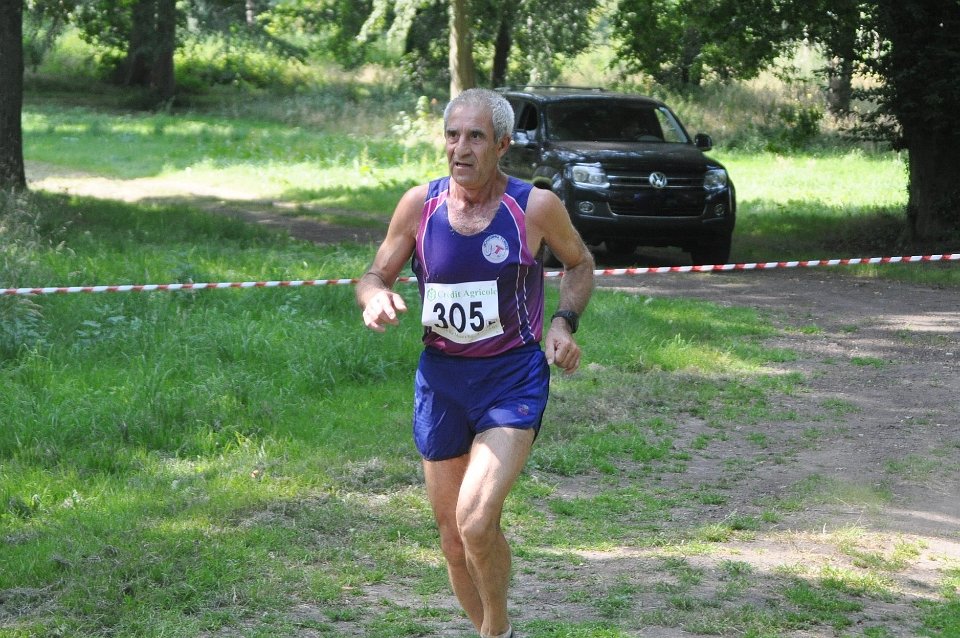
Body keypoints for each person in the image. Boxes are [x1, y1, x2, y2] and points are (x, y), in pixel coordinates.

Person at [356, 88, 594, 638]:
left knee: (477, 520)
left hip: (511, 379)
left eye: (476, 137)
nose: (460, 149)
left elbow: (579, 263)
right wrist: (374, 296)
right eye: (452, 135)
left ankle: (495, 631)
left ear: (503, 145)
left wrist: (563, 322)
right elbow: (374, 273)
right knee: (452, 537)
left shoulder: (534, 207)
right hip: (441, 382)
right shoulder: (420, 205)